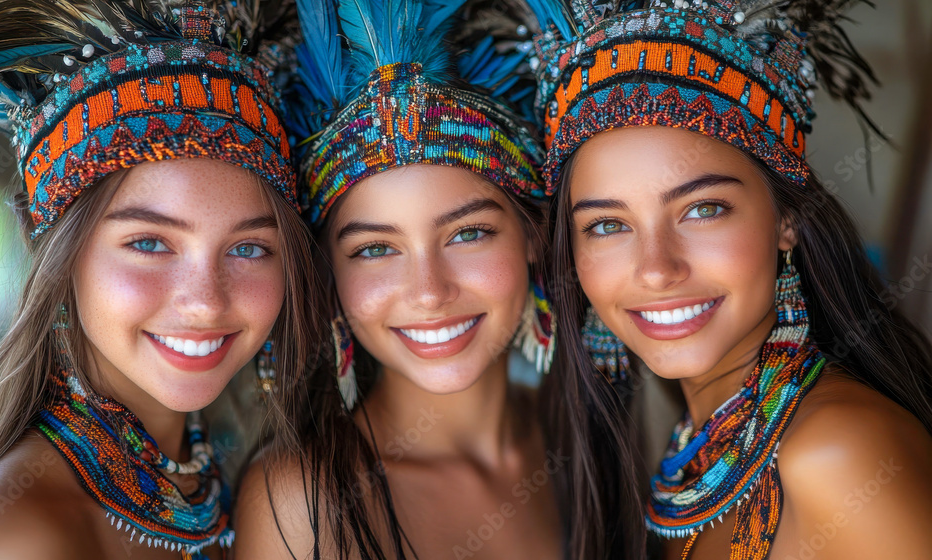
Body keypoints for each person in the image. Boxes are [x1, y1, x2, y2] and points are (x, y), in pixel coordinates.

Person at [529, 0, 932, 558]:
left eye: (703, 209)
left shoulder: (837, 454)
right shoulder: (694, 449)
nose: (656, 269)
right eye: (606, 224)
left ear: (786, 220)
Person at [233, 0, 623, 558]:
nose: (429, 291)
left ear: (533, 233)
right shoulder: (303, 502)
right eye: (374, 249)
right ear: (330, 274)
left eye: (467, 234)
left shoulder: (591, 446)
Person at [0, 1, 318, 558]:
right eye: (149, 243)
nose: (206, 302)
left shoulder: (225, 482)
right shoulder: (13, 537)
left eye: (249, 247)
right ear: (49, 252)